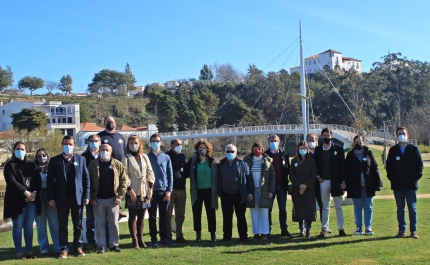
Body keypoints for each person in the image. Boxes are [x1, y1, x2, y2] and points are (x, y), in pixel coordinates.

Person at [47, 135, 90, 259]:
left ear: (74, 145)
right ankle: (64, 249)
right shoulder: (55, 161)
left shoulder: (80, 159)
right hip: (61, 198)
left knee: (78, 224)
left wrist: (86, 195)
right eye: (66, 144)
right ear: (62, 145)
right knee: (62, 225)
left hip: (77, 198)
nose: (68, 146)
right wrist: (51, 197)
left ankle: (78, 247)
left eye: (70, 144)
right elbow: (50, 181)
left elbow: (86, 179)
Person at [3, 141, 41, 260]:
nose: (20, 151)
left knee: (29, 226)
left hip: (31, 200)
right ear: (14, 150)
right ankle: (19, 252)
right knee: (18, 226)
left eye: (22, 149)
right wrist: (25, 192)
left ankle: (29, 251)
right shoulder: (10, 165)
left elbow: (37, 180)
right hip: (16, 201)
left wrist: (34, 193)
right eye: (18, 149)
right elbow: (11, 181)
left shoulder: (31, 164)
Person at [88, 143, 128, 253]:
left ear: (111, 152)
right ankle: (101, 245)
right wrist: (92, 198)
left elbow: (124, 181)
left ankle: (114, 244)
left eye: (107, 150)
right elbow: (89, 183)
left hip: (113, 199)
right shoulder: (93, 165)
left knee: (114, 223)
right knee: (99, 224)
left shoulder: (118, 164)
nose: (104, 152)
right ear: (98, 151)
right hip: (98, 200)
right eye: (102, 150)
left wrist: (119, 196)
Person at [386, 127, 423, 238]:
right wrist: (393, 179)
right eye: (399, 134)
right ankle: (402, 230)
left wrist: (415, 178)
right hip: (398, 185)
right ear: (396, 136)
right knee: (400, 208)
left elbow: (420, 166)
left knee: (412, 207)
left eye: (403, 133)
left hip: (411, 185)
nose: (401, 135)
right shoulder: (393, 150)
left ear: (408, 135)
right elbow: (389, 167)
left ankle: (413, 231)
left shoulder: (414, 149)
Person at [122, 135, 155, 249]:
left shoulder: (144, 157)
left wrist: (151, 188)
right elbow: (124, 175)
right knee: (133, 216)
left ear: (140, 144)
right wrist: (130, 190)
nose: (134, 145)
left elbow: (150, 172)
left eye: (136, 143)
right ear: (128, 145)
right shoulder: (126, 158)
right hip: (133, 188)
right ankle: (134, 240)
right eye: (131, 143)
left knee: (142, 216)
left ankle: (141, 239)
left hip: (145, 188)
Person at [314, 128, 347, 237]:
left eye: (328, 135)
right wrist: (318, 177)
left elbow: (343, 166)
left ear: (331, 136)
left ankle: (341, 229)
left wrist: (343, 181)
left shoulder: (338, 148)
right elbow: (316, 166)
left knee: (338, 206)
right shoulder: (318, 150)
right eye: (324, 135)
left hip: (336, 182)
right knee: (325, 207)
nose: (326, 137)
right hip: (323, 181)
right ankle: (324, 229)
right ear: (321, 136)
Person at [345, 135, 381, 236]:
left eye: (360, 142)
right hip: (354, 185)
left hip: (368, 185)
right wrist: (345, 183)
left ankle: (368, 227)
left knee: (368, 207)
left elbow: (375, 168)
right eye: (356, 142)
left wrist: (378, 183)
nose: (358, 144)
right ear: (354, 143)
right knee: (357, 207)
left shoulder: (369, 153)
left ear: (363, 142)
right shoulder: (350, 155)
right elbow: (346, 171)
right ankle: (358, 227)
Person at [218, 144, 254, 242]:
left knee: (241, 216)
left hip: (240, 194)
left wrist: (250, 192)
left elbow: (249, 180)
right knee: (227, 217)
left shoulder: (243, 165)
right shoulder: (221, 164)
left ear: (236, 152)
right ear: (225, 153)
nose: (230, 153)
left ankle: (243, 236)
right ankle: (226, 237)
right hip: (225, 195)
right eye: (228, 152)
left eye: (232, 151)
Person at [147, 133, 175, 247]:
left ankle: (164, 238)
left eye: (157, 141)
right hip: (152, 191)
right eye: (153, 141)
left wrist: (169, 191)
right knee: (152, 216)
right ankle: (154, 239)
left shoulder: (166, 157)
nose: (155, 143)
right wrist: (148, 190)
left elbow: (170, 175)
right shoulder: (147, 157)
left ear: (161, 142)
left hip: (164, 191)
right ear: (150, 143)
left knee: (164, 216)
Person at [243, 142, 275, 241]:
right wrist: (248, 191)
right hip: (252, 190)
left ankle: (264, 233)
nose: (257, 150)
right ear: (252, 149)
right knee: (254, 213)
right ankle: (256, 233)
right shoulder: (247, 160)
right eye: (255, 148)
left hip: (264, 190)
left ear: (262, 149)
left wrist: (271, 191)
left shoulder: (268, 160)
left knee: (264, 212)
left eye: (259, 148)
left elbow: (272, 177)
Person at [98, 116, 127, 219]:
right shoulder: (100, 136)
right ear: (104, 124)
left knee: (120, 187)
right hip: (107, 167)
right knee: (112, 187)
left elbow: (124, 151)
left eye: (112, 121)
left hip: (120, 167)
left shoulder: (120, 136)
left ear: (115, 123)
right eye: (108, 122)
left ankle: (119, 208)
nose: (110, 123)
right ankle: (116, 210)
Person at [189, 140, 218, 242]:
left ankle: (213, 235)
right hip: (197, 191)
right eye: (200, 148)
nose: (202, 150)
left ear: (207, 149)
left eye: (204, 148)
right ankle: (198, 235)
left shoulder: (211, 161)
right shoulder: (193, 160)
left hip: (210, 191)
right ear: (197, 149)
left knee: (211, 213)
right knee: (196, 213)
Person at [264, 135, 292, 237]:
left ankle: (284, 229)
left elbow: (288, 169)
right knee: (268, 209)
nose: (273, 142)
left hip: (282, 185)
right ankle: (268, 230)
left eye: (275, 141)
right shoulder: (265, 155)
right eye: (271, 141)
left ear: (279, 142)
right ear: (268, 142)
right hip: (269, 187)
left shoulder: (284, 154)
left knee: (283, 209)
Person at [34, 148, 60, 255]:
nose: (41, 158)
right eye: (39, 156)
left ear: (47, 156)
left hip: (51, 196)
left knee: (54, 222)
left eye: (44, 155)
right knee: (40, 223)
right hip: (38, 197)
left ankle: (58, 247)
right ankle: (44, 247)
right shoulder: (33, 169)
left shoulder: (52, 167)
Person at [81, 134, 104, 250]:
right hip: (90, 193)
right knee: (90, 220)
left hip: (104, 193)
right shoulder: (83, 157)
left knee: (104, 219)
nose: (94, 142)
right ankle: (91, 241)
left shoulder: (105, 154)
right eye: (92, 141)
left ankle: (104, 241)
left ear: (100, 142)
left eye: (96, 140)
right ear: (88, 142)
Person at [289, 141, 317, 238]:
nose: (302, 150)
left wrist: (305, 185)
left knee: (309, 210)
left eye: (304, 148)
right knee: (299, 209)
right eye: (300, 148)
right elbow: (291, 175)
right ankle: (301, 229)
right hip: (297, 189)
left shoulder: (312, 161)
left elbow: (313, 175)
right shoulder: (294, 161)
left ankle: (308, 229)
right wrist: (299, 185)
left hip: (309, 189)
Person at [166, 138, 188, 243]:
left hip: (182, 189)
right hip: (170, 190)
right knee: (168, 215)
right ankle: (168, 236)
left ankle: (179, 235)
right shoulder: (166, 156)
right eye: (177, 144)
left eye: (181, 144)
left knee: (180, 214)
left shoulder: (182, 156)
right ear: (172, 145)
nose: (179, 146)